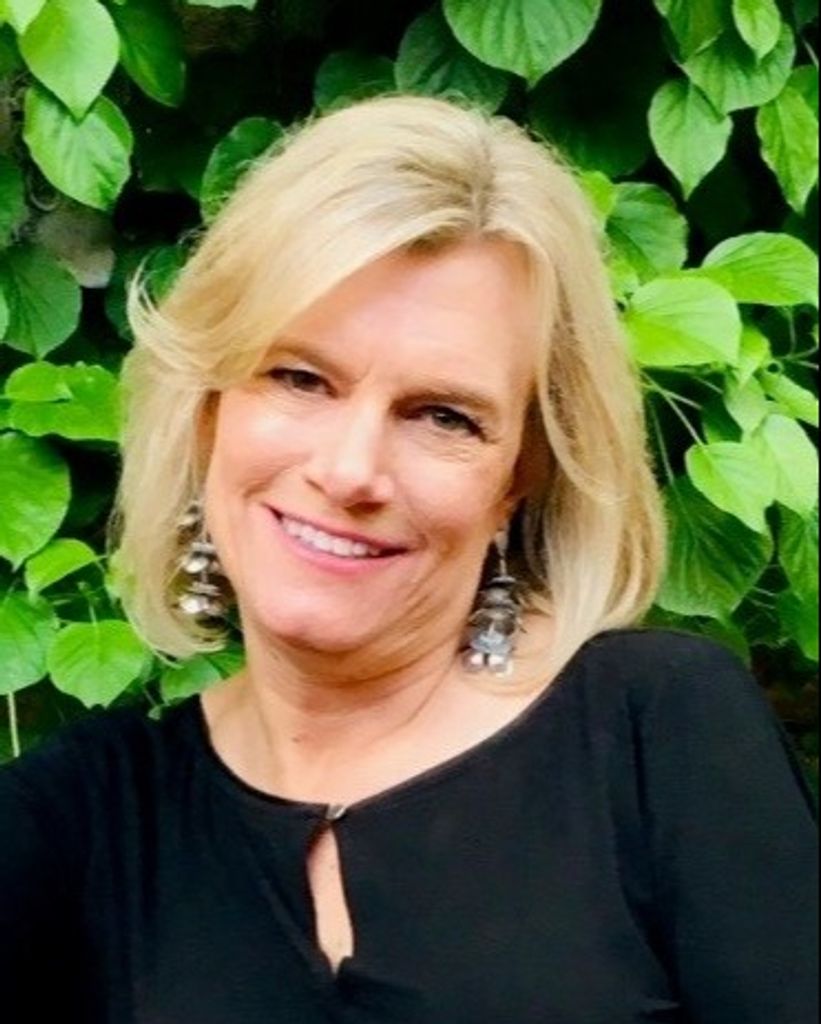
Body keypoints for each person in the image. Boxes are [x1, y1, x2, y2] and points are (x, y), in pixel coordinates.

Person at [0, 95, 816, 1024]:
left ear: (520, 476)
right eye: (300, 378)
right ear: (208, 407)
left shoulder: (654, 735)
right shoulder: (81, 822)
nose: (350, 471)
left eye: (443, 417)